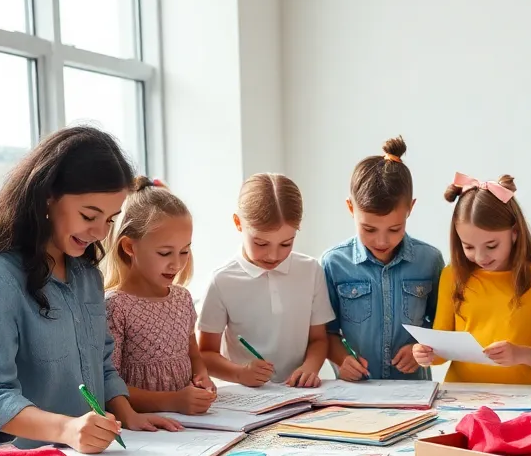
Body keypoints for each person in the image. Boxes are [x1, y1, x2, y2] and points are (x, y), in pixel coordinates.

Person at [0, 126, 178, 455]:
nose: (99, 232)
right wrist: (67, 429)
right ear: (47, 195)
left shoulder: (86, 276)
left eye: (110, 220)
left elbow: (101, 363)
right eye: (89, 215)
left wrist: (127, 414)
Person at [413, 173, 531, 385]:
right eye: (468, 247)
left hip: (519, 396)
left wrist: (521, 354)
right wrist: (426, 353)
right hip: (459, 395)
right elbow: (440, 352)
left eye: (491, 246)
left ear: (514, 232)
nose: (480, 257)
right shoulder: (452, 275)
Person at [321, 136, 445, 381]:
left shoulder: (429, 260)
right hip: (356, 392)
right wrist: (342, 360)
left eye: (394, 229)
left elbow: (442, 324)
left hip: (415, 391)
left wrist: (420, 348)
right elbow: (326, 333)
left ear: (410, 208)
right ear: (350, 208)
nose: (381, 241)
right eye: (369, 229)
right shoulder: (333, 264)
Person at [198, 173, 334, 387]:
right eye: (261, 244)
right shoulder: (222, 281)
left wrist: (310, 368)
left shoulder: (311, 270)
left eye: (286, 243)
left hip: (297, 392)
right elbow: (205, 353)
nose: (273, 256)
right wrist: (240, 373)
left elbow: (319, 339)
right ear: (238, 223)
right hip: (245, 396)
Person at [102, 177, 216, 415]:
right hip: (144, 426)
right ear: (129, 247)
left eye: (184, 251)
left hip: (188, 423)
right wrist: (172, 401)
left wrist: (202, 377)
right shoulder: (116, 306)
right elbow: (109, 385)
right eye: (165, 253)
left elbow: (194, 356)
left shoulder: (182, 299)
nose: (177, 264)